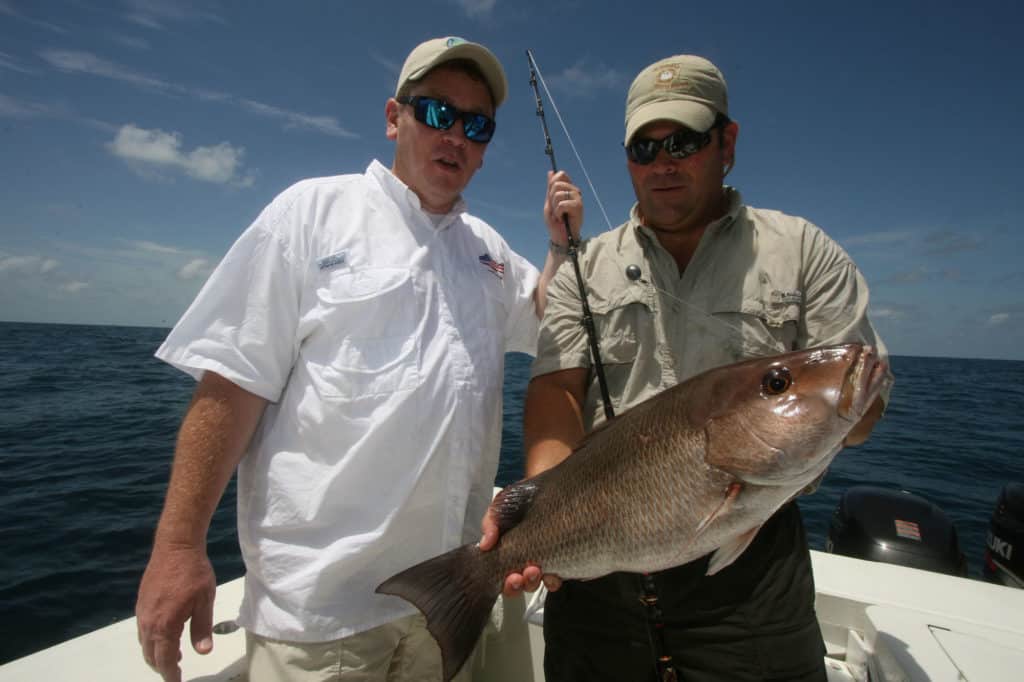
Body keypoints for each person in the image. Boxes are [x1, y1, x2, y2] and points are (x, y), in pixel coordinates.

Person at [134, 36, 582, 682]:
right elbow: (231, 385)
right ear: (393, 117)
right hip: (320, 619)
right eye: (435, 113)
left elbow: (547, 323)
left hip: (448, 604)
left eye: (476, 124)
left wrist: (558, 247)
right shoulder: (310, 215)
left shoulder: (488, 252)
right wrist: (177, 547)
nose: (454, 134)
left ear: (485, 149)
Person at [495, 54, 894, 681]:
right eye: (644, 148)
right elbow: (557, 394)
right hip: (600, 579)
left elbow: (862, 412)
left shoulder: (802, 251)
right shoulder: (581, 267)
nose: (664, 163)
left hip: (753, 576)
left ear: (726, 143)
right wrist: (547, 515)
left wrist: (850, 401)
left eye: (683, 141)